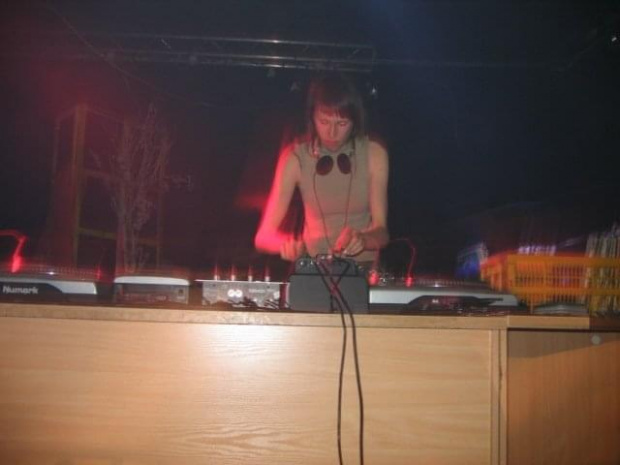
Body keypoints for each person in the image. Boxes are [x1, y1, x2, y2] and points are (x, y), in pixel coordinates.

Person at [254, 73, 389, 267]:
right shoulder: (295, 158)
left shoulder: (374, 153)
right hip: (313, 267)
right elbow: (263, 237)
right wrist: (288, 245)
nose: (332, 133)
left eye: (342, 123)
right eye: (324, 122)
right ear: (312, 118)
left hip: (362, 269)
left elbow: (382, 232)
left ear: (355, 122)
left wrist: (363, 239)